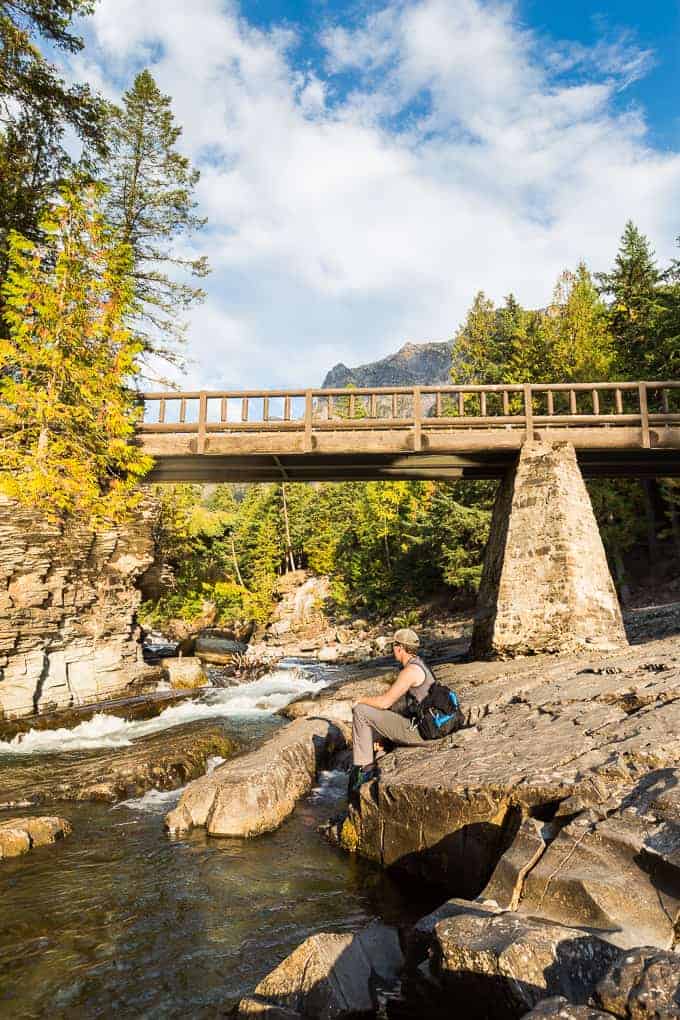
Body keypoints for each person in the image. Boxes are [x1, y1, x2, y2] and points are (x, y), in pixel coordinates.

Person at [348, 627, 434, 800]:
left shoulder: (410, 671)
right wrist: (384, 738)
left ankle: (364, 769)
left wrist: (361, 699)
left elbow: (384, 702)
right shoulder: (420, 664)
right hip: (424, 725)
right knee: (379, 721)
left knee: (361, 711)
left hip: (421, 732)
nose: (392, 650)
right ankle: (375, 754)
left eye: (393, 646)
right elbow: (397, 707)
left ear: (399, 647)